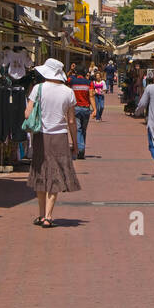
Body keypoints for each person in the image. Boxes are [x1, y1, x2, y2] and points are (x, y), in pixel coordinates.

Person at [25, 58, 80, 228]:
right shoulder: (68, 92)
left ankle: (41, 215)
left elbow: (27, 114)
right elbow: (71, 120)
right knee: (55, 176)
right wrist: (75, 144)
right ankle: (49, 216)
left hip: (41, 135)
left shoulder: (38, 88)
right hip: (60, 137)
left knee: (40, 174)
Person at [68, 63, 93, 159]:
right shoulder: (89, 82)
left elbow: (64, 79)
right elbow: (91, 96)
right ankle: (81, 149)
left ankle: (80, 149)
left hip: (75, 108)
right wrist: (94, 109)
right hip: (86, 109)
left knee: (77, 129)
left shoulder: (72, 80)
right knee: (83, 130)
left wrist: (71, 70)